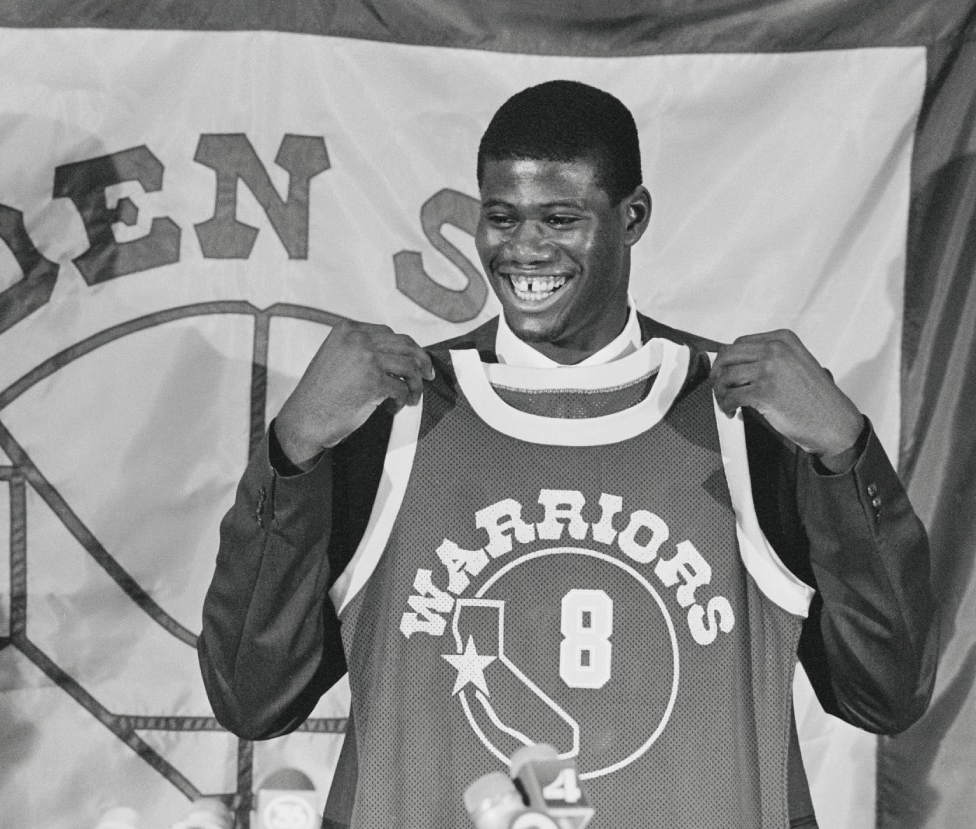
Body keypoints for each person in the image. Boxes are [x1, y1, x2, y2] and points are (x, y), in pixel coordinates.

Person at [198, 80, 936, 828]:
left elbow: (886, 692)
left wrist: (847, 455)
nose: (524, 248)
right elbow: (252, 697)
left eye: (559, 218)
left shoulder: (744, 412)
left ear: (633, 216)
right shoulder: (394, 405)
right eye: (501, 217)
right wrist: (289, 452)